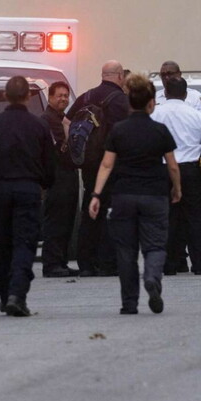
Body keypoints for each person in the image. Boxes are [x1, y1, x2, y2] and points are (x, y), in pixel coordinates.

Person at [88, 74, 181, 315]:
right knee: (155, 246)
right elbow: (172, 165)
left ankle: (129, 303)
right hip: (154, 195)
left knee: (126, 251)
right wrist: (177, 188)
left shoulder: (119, 130)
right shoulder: (160, 131)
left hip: (123, 196)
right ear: (151, 103)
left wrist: (96, 194)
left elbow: (107, 165)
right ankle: (151, 277)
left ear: (130, 101)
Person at [0, 77, 55, 316]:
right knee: (24, 243)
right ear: (28, 96)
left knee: (3, 243)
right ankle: (17, 294)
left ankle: (5, 293)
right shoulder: (39, 126)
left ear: (5, 96)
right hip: (28, 190)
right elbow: (50, 164)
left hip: (1, 191)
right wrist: (45, 185)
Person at [66, 61, 130, 278]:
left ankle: (86, 263)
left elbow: (66, 121)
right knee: (109, 211)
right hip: (112, 164)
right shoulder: (121, 101)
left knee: (89, 209)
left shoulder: (85, 96)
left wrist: (77, 151)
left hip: (88, 164)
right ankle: (107, 262)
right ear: (120, 76)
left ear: (103, 75)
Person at [151, 76, 201, 276]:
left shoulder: (155, 114)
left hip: (163, 171)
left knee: (166, 218)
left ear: (166, 92)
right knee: (196, 218)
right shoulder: (196, 115)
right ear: (186, 94)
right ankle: (200, 264)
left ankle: (169, 264)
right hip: (190, 171)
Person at [41, 80, 80, 277]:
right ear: (50, 97)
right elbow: (63, 147)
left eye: (66, 96)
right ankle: (52, 263)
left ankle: (61, 262)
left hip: (68, 175)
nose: (63, 99)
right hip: (57, 176)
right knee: (56, 221)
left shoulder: (62, 118)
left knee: (66, 221)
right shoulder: (49, 119)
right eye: (59, 96)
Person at [154, 60, 201, 125]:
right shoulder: (155, 97)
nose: (166, 77)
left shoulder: (195, 97)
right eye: (163, 75)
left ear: (179, 74)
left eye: (170, 73)